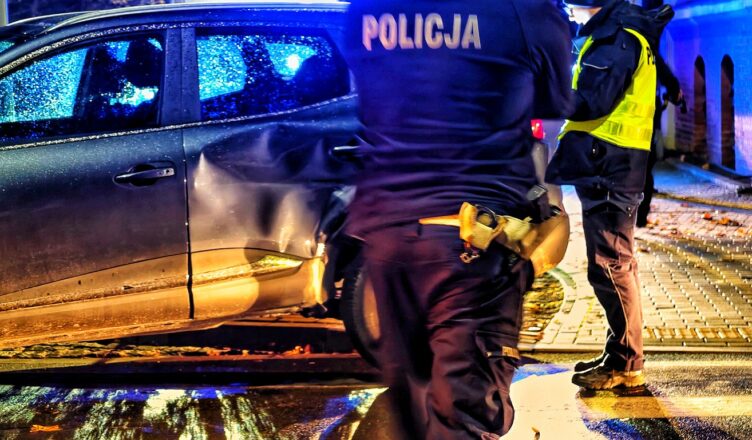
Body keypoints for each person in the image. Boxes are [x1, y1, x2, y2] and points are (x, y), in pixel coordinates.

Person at [341, 1, 573, 438]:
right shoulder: (523, 10)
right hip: (472, 241)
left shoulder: (366, 9)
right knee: (463, 416)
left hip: (387, 233)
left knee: (413, 406)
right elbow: (555, 100)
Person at [546, 0, 674, 390]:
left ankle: (625, 363)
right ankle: (620, 354)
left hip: (609, 166)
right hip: (613, 164)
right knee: (617, 263)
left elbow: (591, 102)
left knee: (610, 265)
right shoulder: (621, 32)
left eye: (570, 2)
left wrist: (544, 91)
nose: (566, 8)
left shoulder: (617, 37)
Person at [636, 54, 685, 227]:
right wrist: (675, 93)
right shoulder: (646, 46)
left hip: (616, 128)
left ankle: (622, 220)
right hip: (642, 126)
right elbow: (666, 76)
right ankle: (640, 218)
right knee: (644, 170)